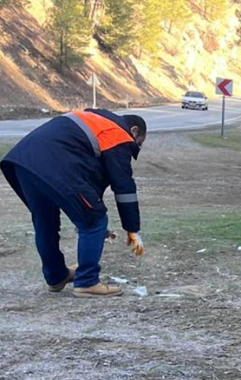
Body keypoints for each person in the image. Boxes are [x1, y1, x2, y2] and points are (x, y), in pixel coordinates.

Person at [1, 108, 147, 298]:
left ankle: (56, 277)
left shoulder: (94, 120)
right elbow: (124, 186)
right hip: (54, 166)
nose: (134, 148)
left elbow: (90, 182)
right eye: (138, 144)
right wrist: (132, 229)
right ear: (134, 131)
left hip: (22, 163)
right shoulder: (117, 134)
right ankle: (87, 282)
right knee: (95, 220)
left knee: (46, 222)